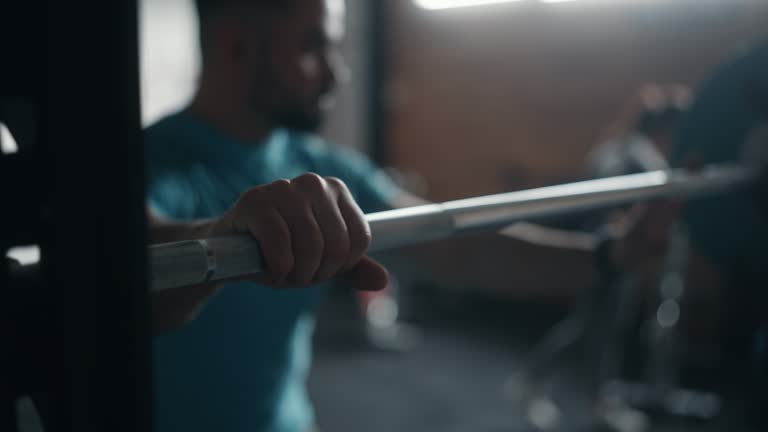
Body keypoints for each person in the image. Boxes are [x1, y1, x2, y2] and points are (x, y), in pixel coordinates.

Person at [146, 173, 389, 334]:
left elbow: (418, 217)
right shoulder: (156, 159)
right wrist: (216, 236)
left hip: (296, 412)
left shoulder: (330, 162)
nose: (332, 90)